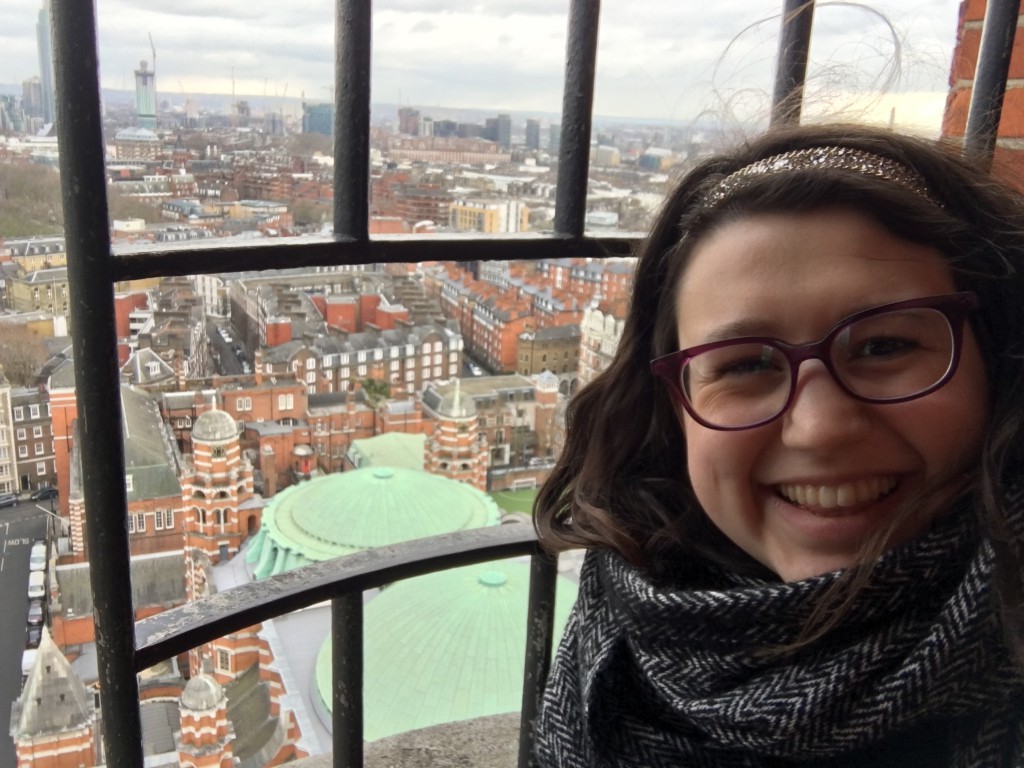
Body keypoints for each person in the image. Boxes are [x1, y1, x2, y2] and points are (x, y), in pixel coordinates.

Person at [532, 124, 1024, 767]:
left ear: (1000, 359)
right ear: (672, 412)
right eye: (743, 365)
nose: (819, 428)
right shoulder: (627, 609)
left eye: (886, 346)